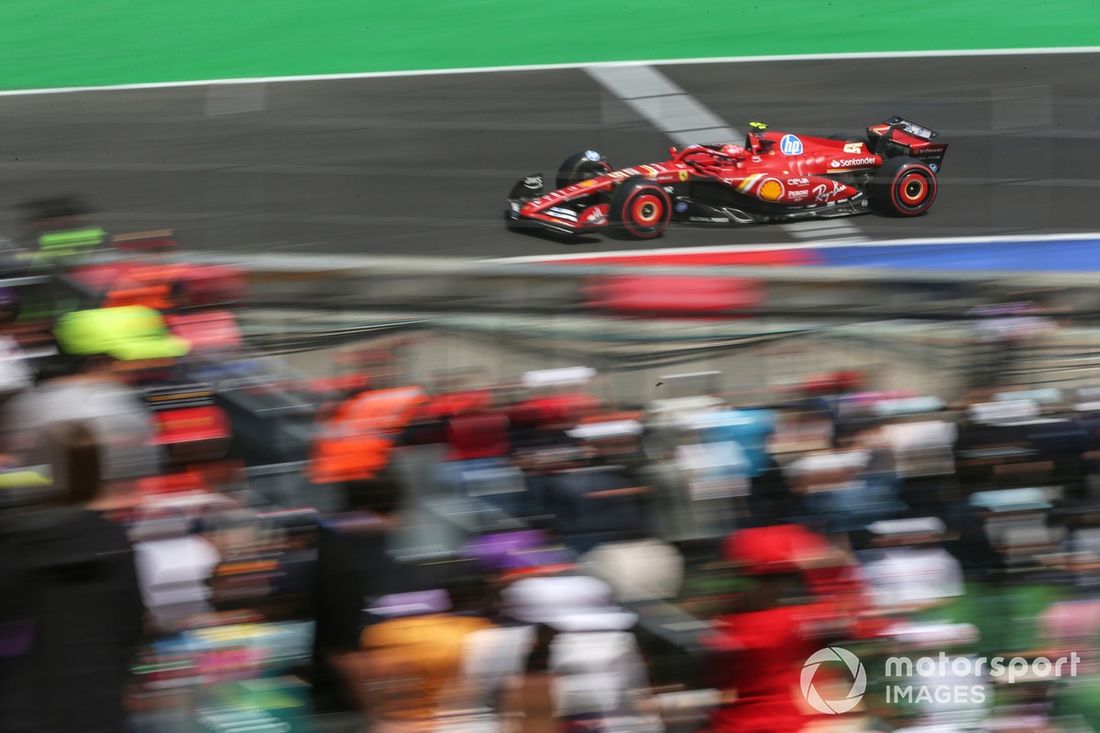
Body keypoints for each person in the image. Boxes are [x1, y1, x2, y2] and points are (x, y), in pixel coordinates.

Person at [0, 421, 145, 733]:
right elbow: (130, 631)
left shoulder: (10, 545)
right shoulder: (114, 544)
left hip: (18, 715)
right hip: (98, 714)